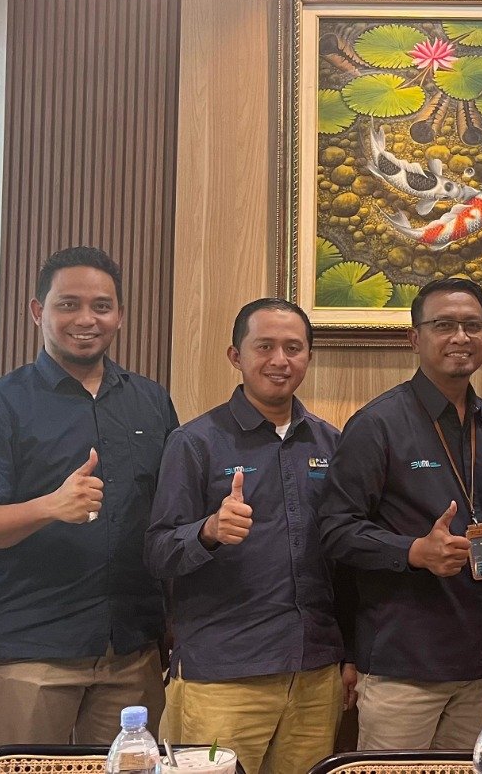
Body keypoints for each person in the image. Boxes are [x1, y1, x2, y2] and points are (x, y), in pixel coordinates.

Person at [0, 247, 179, 749]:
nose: (86, 319)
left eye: (101, 306)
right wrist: (50, 506)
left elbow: (166, 518)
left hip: (131, 649)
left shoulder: (151, 401)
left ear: (119, 315)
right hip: (31, 651)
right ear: (38, 311)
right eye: (68, 305)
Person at [319, 278, 482, 751]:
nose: (461, 337)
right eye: (444, 325)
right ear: (415, 338)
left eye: (473, 326)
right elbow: (334, 530)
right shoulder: (376, 425)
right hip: (404, 668)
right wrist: (413, 551)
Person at [146, 298, 354, 773]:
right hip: (223, 676)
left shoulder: (331, 443)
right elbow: (157, 552)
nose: (280, 360)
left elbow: (344, 559)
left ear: (308, 356)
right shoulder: (194, 442)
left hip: (314, 675)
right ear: (235, 356)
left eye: (293, 348)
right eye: (264, 347)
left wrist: (349, 655)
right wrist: (208, 531)